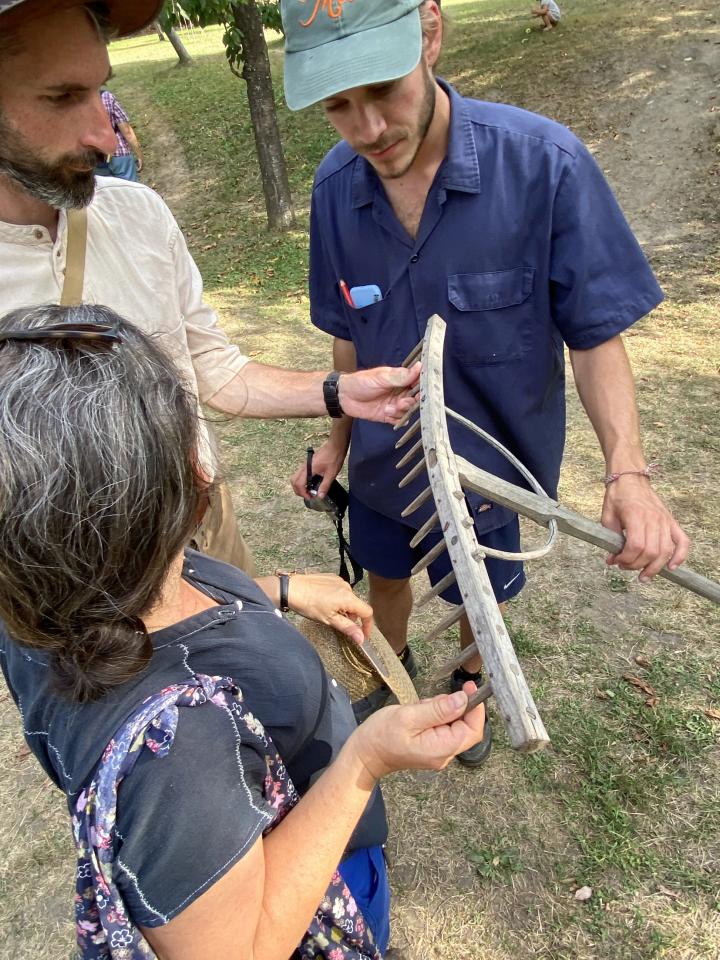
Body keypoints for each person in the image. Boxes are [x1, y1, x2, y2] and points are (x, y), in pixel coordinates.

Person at [0, 302, 486, 959]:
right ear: (189, 490)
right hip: (312, 884)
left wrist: (279, 590)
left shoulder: (44, 590)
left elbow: (155, 603)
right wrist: (365, 761)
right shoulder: (178, 752)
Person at [284, 0, 691, 764]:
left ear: (430, 32)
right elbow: (348, 335)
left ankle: (471, 677)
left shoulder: (546, 166)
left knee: (480, 595)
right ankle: (390, 666)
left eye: (384, 89)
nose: (368, 128)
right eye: (338, 104)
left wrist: (628, 474)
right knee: (385, 575)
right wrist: (335, 441)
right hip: (382, 468)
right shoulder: (334, 189)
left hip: (495, 480)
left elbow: (595, 335)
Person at [0, 0, 420, 574]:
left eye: (101, 90)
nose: (107, 137)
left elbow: (208, 366)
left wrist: (339, 391)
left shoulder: (139, 214)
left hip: (202, 523)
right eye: (62, 96)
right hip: (64, 579)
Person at [95, 87, 144, 181]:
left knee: (108, 189)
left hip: (95, 158)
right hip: (119, 152)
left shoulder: (74, 104)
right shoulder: (107, 97)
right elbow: (127, 131)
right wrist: (139, 154)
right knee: (130, 187)